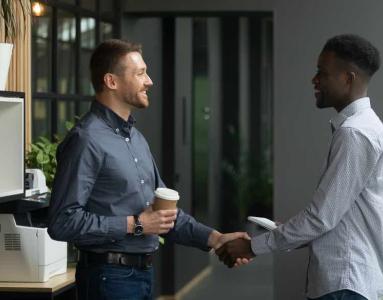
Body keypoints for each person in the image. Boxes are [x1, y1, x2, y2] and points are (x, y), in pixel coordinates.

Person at [48, 39, 249, 300]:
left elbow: (163, 214)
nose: (149, 81)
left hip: (141, 276)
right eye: (140, 73)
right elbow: (62, 222)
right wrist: (135, 225)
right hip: (107, 279)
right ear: (111, 81)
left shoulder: (136, 139)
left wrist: (216, 239)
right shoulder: (86, 140)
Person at [217, 34, 383, 300]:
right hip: (348, 283)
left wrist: (252, 247)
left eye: (322, 73)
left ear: (348, 78)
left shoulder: (355, 133)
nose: (314, 80)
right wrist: (288, 232)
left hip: (345, 284)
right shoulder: (363, 127)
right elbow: (335, 218)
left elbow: (321, 218)